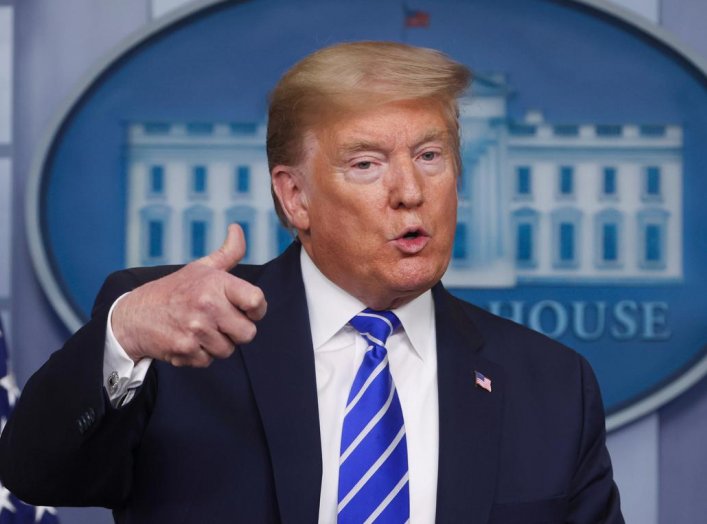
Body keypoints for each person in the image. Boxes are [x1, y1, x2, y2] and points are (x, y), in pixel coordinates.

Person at [0, 42, 623, 523]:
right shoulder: (176, 336)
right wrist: (124, 336)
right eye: (366, 164)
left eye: (430, 157)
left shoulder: (551, 384)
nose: (411, 193)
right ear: (294, 196)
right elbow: (33, 473)